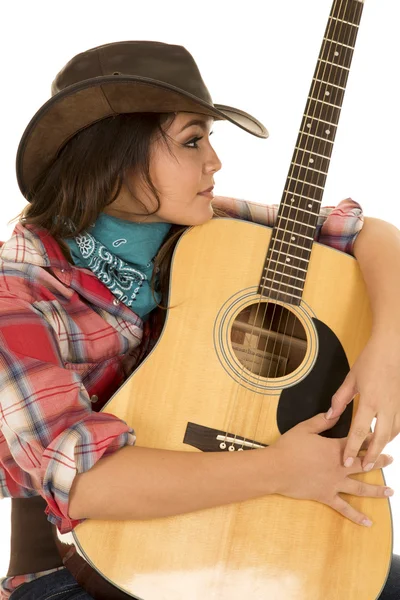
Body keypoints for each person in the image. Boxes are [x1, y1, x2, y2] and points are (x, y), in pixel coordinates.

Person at [0, 40, 399, 600]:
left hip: (254, 512)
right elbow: (87, 483)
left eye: (210, 138)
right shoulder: (16, 292)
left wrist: (389, 348)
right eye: (192, 141)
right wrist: (279, 470)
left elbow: (366, 233)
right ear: (112, 156)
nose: (214, 161)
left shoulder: (207, 226)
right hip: (80, 565)